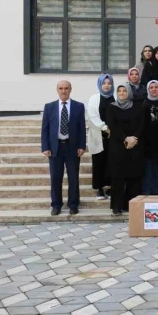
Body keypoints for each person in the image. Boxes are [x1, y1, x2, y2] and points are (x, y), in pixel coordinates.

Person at [41, 81, 86, 216]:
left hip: (72, 147)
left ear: (71, 89)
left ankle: (73, 204)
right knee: (55, 177)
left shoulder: (79, 106)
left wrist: (82, 146)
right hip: (55, 148)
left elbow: (82, 128)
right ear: (57, 90)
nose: (63, 91)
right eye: (61, 88)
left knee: (73, 177)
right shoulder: (49, 107)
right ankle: (56, 205)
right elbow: (45, 129)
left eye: (66, 88)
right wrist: (45, 146)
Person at [106, 84, 144, 215]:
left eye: (124, 91)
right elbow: (113, 126)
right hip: (117, 146)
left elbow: (141, 124)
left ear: (129, 92)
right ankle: (116, 206)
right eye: (119, 91)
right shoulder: (112, 107)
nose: (122, 93)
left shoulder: (137, 107)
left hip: (134, 145)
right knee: (117, 177)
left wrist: (134, 139)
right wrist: (125, 138)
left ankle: (130, 204)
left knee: (133, 177)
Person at [86, 74, 115, 200]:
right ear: (100, 84)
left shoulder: (115, 97)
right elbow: (92, 116)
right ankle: (99, 188)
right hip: (99, 134)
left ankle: (110, 187)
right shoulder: (94, 98)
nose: (107, 85)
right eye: (104, 83)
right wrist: (104, 127)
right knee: (98, 161)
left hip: (113, 135)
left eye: (109, 83)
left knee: (111, 161)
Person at [142, 81, 158, 196]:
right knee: (147, 167)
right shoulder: (143, 102)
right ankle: (147, 191)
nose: (154, 89)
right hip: (146, 140)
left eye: (156, 87)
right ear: (148, 89)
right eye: (151, 87)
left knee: (157, 167)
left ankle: (156, 191)